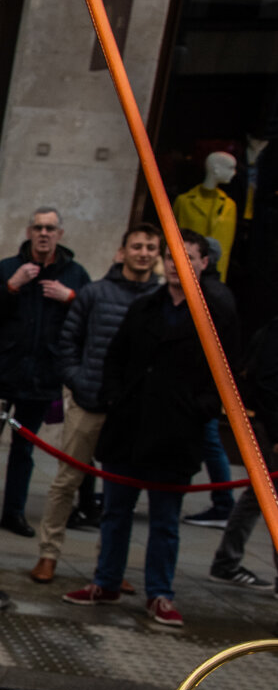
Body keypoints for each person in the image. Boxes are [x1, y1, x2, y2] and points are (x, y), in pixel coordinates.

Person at [63, 243, 240, 626]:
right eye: (173, 257)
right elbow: (117, 356)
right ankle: (106, 581)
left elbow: (226, 370)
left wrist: (201, 408)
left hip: (175, 430)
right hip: (130, 424)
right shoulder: (145, 305)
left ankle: (160, 593)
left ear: (204, 263)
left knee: (164, 519)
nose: (178, 265)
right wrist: (113, 396)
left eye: (188, 258)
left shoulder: (215, 312)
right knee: (115, 511)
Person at [28, 224, 164, 583]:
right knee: (67, 481)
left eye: (151, 247)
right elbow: (68, 340)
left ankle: (110, 566)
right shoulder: (95, 293)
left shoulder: (161, 301)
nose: (144, 253)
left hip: (131, 409)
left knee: (121, 493)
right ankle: (48, 553)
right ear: (122, 252)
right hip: (89, 400)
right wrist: (77, 379)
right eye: (137, 246)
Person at [0, 208, 88, 535]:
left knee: (25, 448)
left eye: (50, 228)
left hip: (44, 374)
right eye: (38, 227)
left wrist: (70, 297)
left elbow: (90, 317)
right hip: (3, 370)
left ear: (60, 234)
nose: (44, 233)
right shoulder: (8, 267)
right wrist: (11, 287)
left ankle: (13, 512)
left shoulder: (74, 274)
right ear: (29, 231)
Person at [206, 315, 278, 591]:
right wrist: (275, 433)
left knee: (259, 494)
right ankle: (226, 561)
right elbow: (268, 382)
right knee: (265, 494)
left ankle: (226, 560)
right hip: (271, 426)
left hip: (269, 423)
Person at [180, 234, 238, 527]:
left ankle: (223, 502)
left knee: (210, 441)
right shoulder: (208, 290)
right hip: (202, 386)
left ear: (205, 260)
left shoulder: (212, 295)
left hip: (205, 386)